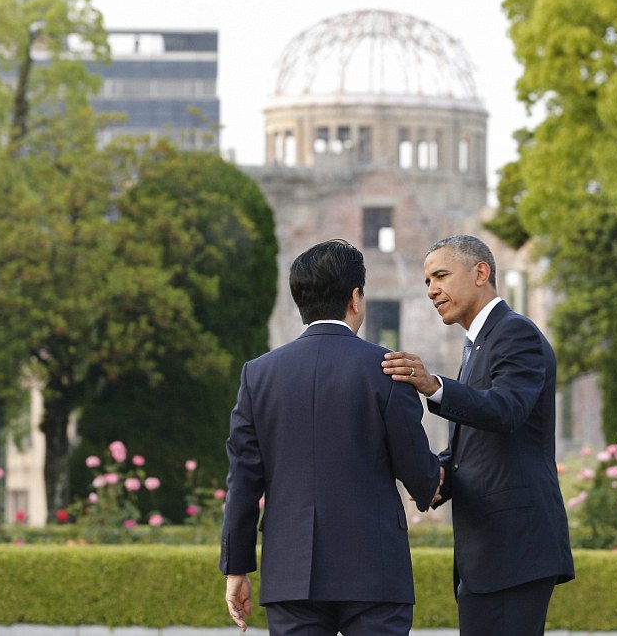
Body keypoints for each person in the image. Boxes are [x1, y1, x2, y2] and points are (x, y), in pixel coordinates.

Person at [220, 239, 443, 635]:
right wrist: (431, 484)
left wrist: (236, 568)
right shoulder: (389, 369)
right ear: (355, 298)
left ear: (299, 300)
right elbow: (417, 470)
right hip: (376, 570)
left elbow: (243, 482)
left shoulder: (258, 374)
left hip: (291, 571)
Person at [382, 234, 575, 636]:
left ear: (480, 272)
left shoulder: (515, 333)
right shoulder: (477, 344)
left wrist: (434, 385)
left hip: (514, 549)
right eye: (427, 281)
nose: (431, 290)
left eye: (441, 276)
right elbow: (478, 443)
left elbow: (507, 410)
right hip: (490, 553)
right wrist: (439, 475)